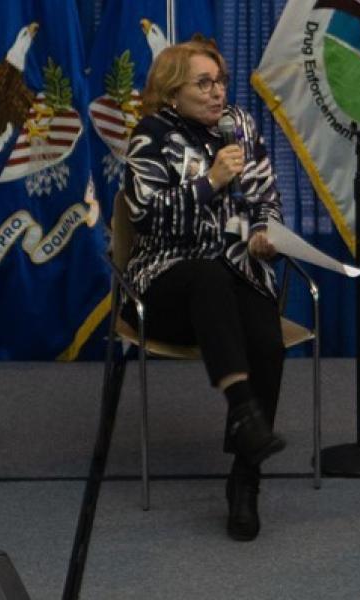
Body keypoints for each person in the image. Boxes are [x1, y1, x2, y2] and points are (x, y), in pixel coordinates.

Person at [122, 39, 286, 540]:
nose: (218, 93)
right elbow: (144, 217)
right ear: (172, 92)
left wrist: (264, 234)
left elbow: (266, 198)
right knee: (208, 276)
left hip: (235, 272)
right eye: (204, 83)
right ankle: (242, 409)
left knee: (266, 335)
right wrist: (209, 182)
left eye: (221, 82)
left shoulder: (241, 126)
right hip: (164, 281)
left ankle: (245, 478)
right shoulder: (151, 135)